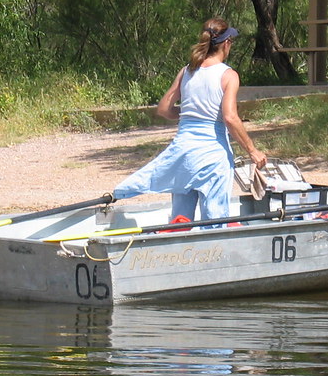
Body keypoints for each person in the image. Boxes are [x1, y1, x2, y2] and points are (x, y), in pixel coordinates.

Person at [112, 17, 267, 222]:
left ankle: (178, 240)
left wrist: (188, 115)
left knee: (180, 218)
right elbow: (230, 117)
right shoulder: (228, 75)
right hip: (213, 155)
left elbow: (164, 109)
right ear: (226, 43)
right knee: (215, 219)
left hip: (184, 153)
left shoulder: (186, 71)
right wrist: (252, 150)